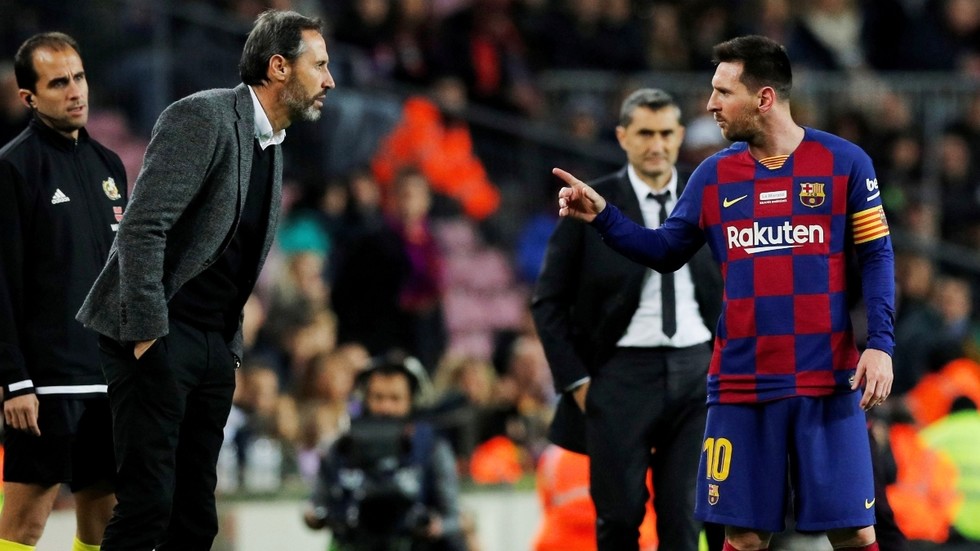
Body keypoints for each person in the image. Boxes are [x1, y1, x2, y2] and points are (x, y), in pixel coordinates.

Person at [552, 35, 894, 551]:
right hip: (740, 386)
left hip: (826, 379)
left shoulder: (844, 162)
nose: (710, 103)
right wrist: (604, 216)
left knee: (853, 531)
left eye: (723, 91)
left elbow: (877, 256)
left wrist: (881, 345)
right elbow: (665, 250)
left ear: (764, 98)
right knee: (744, 536)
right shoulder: (714, 175)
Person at [75, 10, 334, 550]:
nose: (330, 80)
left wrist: (227, 348)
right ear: (279, 66)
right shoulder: (203, 116)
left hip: (214, 346)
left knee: (195, 519)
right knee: (148, 507)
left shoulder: (273, 142)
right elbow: (142, 228)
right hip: (161, 334)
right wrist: (150, 336)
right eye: (320, 65)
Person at [531, 88, 723, 551]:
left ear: (680, 135)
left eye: (666, 133)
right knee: (618, 519)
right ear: (622, 137)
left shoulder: (711, 196)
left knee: (685, 519)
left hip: (697, 373)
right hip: (620, 376)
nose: (657, 144)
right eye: (645, 133)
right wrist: (576, 381)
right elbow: (548, 301)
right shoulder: (591, 202)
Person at [0, 32, 127, 551]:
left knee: (104, 519)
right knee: (25, 523)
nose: (75, 91)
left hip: (107, 379)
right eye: (58, 83)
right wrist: (14, 381)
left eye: (78, 77)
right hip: (46, 384)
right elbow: (0, 283)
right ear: (28, 97)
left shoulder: (110, 166)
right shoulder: (13, 167)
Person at [304, 353, 464, 551]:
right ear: (365, 399)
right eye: (378, 398)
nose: (386, 407)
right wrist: (316, 516)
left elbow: (453, 517)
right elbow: (315, 504)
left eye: (395, 398)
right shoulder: (342, 447)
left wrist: (434, 527)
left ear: (411, 401)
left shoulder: (432, 447)